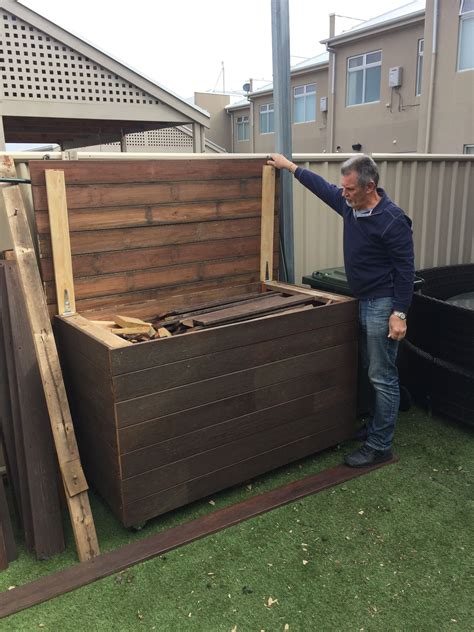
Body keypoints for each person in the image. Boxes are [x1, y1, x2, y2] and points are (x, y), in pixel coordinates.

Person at [267, 153, 415, 467]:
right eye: (343, 188)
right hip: (362, 300)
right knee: (373, 369)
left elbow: (405, 270)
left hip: (383, 304)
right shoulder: (351, 208)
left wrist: (399, 313)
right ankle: (377, 425)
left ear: (370, 186)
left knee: (381, 375)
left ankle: (380, 446)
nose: (343, 193)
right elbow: (321, 187)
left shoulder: (392, 219)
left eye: (349, 189)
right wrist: (289, 166)